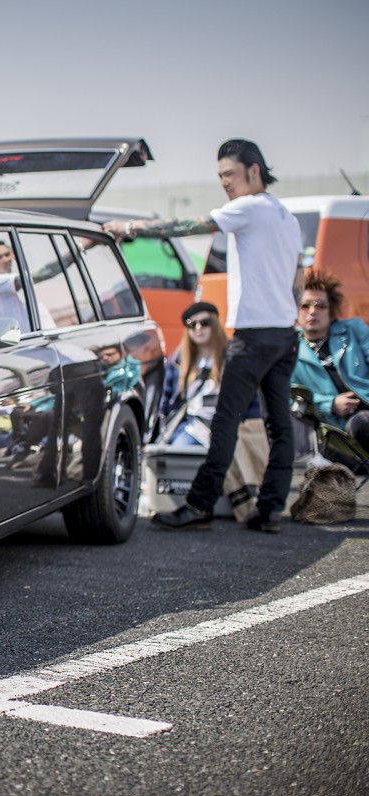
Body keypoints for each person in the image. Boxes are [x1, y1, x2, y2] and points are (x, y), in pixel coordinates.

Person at [104, 139, 303, 533]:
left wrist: (127, 228)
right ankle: (270, 510)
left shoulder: (247, 207)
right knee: (279, 424)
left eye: (229, 174)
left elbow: (190, 225)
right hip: (284, 334)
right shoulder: (286, 216)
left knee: (225, 422)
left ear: (254, 171)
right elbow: (297, 278)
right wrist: (288, 314)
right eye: (220, 176)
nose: (225, 183)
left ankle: (198, 506)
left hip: (254, 334)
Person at [158, 301, 261, 446]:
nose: (198, 328)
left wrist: (250, 429)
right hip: (193, 428)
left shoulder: (235, 356)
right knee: (181, 450)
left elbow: (252, 398)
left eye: (204, 323)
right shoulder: (178, 360)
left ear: (215, 324)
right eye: (192, 324)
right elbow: (166, 402)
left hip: (231, 429)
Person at [292, 270, 369, 455]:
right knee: (361, 423)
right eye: (305, 306)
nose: (312, 312)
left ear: (331, 310)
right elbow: (291, 397)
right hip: (337, 429)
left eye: (320, 306)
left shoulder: (353, 329)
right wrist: (330, 403)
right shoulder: (290, 349)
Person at [0, 236, 54, 332]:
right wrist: (75, 251)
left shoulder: (11, 283)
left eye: (7, 254)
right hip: (30, 345)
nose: (6, 259)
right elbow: (43, 274)